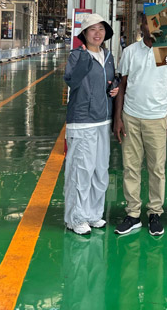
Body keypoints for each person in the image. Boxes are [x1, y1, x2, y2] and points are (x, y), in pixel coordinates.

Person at [113, 12, 167, 236]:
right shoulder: (130, 51)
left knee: (157, 169)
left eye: (156, 24)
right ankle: (133, 214)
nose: (151, 27)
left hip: (157, 118)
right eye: (147, 23)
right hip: (131, 117)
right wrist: (118, 118)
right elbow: (122, 85)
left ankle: (155, 213)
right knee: (131, 168)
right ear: (141, 26)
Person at [63, 13, 119, 235]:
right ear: (84, 33)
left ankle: (94, 214)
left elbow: (109, 79)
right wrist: (86, 60)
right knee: (81, 171)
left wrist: (114, 86)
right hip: (82, 121)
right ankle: (76, 218)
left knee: (100, 171)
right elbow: (72, 81)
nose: (97, 33)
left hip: (103, 120)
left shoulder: (108, 56)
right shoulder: (77, 55)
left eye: (101, 29)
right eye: (93, 29)